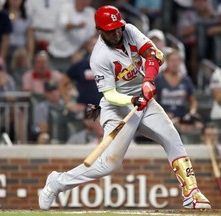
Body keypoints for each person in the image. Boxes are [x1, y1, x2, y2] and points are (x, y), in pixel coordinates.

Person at [38, 5, 211, 210]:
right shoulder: (99, 57)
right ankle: (57, 182)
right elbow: (110, 94)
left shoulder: (128, 30)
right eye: (111, 30)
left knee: (172, 139)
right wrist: (131, 101)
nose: (117, 32)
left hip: (144, 99)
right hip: (117, 107)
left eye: (118, 27)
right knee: (109, 164)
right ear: (99, 30)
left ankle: (192, 193)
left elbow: (153, 55)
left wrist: (147, 80)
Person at [154, 49, 202, 133]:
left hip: (182, 118)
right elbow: (152, 101)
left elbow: (193, 101)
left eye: (177, 61)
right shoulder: (158, 79)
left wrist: (192, 112)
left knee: (199, 126)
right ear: (167, 62)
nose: (175, 63)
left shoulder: (186, 80)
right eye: (172, 61)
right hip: (163, 117)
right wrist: (160, 114)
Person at [47, 0, 95, 72]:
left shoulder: (91, 12)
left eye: (87, 1)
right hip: (57, 54)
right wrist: (77, 26)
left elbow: (90, 37)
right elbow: (65, 25)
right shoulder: (66, 8)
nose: (84, 2)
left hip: (75, 55)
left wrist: (80, 52)